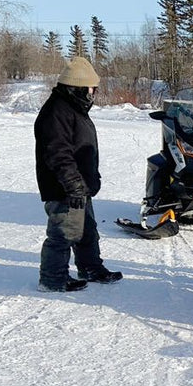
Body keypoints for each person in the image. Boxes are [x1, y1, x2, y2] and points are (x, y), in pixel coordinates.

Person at [34, 56, 122, 292]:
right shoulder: (57, 112)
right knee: (64, 233)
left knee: (87, 231)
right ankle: (52, 279)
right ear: (78, 87)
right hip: (64, 188)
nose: (94, 93)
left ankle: (90, 267)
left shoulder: (73, 108)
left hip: (78, 187)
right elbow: (57, 153)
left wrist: (89, 179)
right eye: (91, 89)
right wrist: (73, 184)